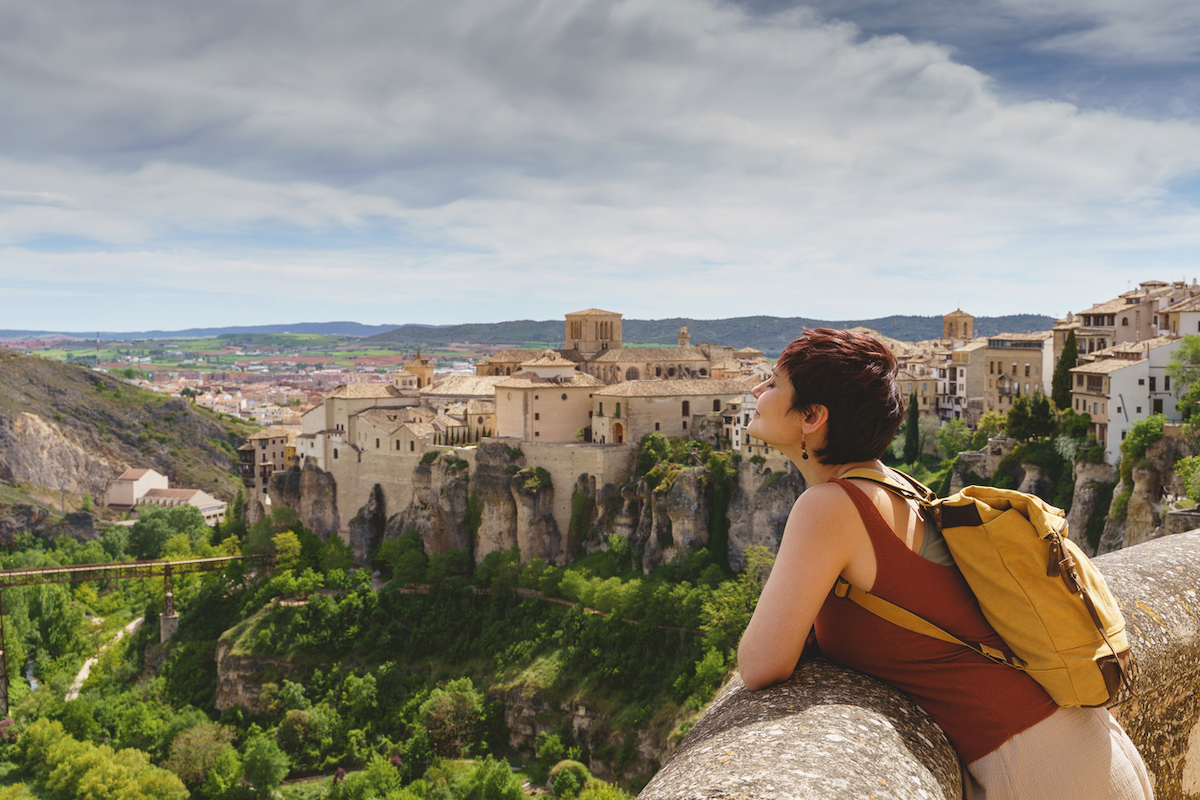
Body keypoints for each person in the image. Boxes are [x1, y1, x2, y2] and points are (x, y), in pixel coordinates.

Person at [736, 328, 1153, 800]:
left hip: (1040, 766)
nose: (756, 391)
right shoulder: (898, 486)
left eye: (772, 383)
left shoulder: (829, 507)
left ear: (812, 416)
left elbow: (760, 664)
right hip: (1080, 743)